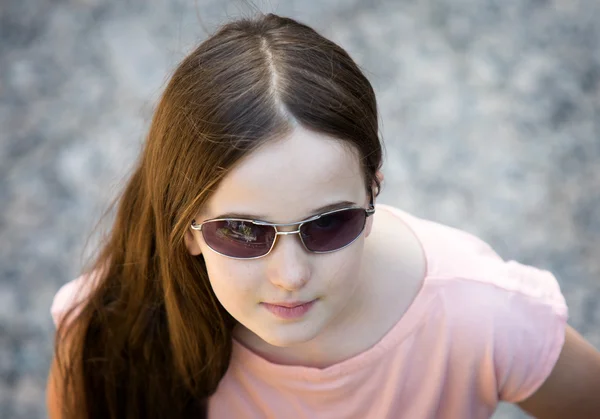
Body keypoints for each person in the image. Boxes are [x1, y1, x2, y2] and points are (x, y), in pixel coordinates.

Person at [46, 13, 600, 419]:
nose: (290, 274)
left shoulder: (483, 317)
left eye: (328, 224)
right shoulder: (111, 330)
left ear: (373, 190)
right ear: (186, 225)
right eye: (242, 230)